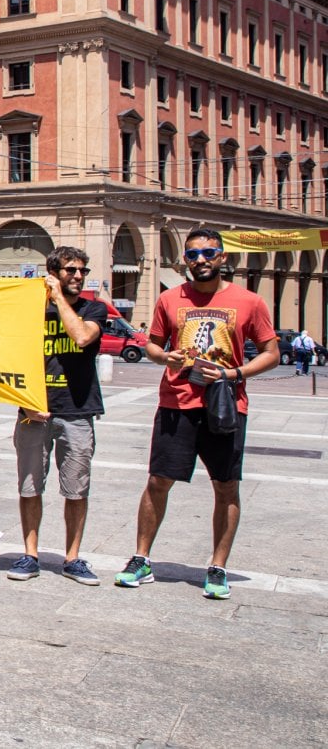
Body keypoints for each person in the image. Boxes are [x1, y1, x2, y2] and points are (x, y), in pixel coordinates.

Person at [117, 229, 278, 600]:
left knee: (226, 485)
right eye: (193, 255)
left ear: (222, 257)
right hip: (176, 402)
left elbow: (271, 353)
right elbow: (153, 346)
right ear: (184, 260)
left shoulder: (249, 301)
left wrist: (234, 373)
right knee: (158, 480)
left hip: (225, 405)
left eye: (209, 253)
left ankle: (218, 566)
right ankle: (141, 559)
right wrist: (164, 356)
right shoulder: (169, 299)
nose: (200, 260)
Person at [9, 246, 108, 586]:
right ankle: (30, 554)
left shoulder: (94, 308)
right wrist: (23, 402)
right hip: (33, 411)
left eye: (82, 270)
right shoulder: (30, 312)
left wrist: (58, 299)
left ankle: (72, 558)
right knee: (29, 485)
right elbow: (10, 358)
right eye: (70, 270)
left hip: (77, 412)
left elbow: (81, 336)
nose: (78, 276)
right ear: (54, 271)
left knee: (76, 489)